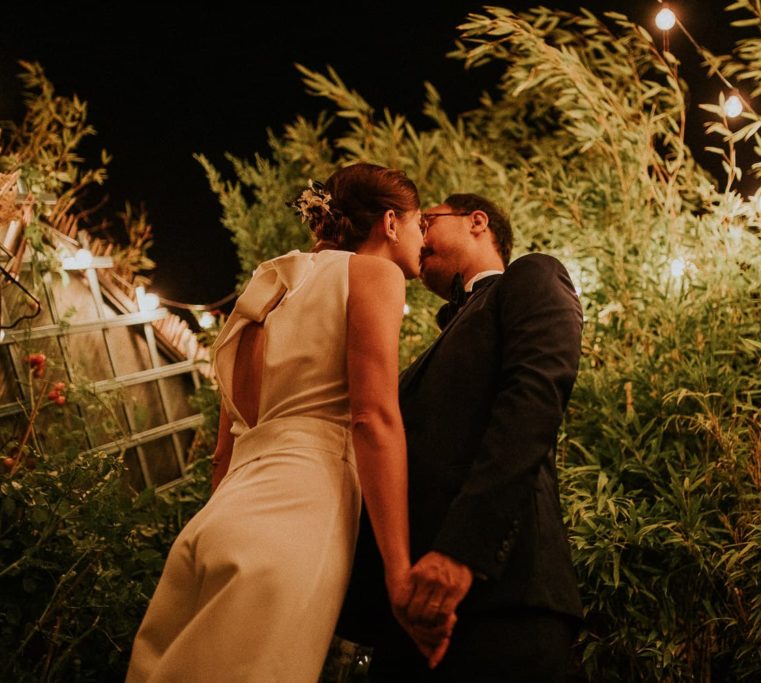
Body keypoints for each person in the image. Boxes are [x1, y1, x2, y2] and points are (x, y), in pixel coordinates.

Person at [126, 163, 428, 682]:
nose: (425, 238)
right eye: (422, 223)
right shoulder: (376, 275)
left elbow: (222, 456)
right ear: (392, 222)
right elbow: (373, 418)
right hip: (296, 518)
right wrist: (399, 572)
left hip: (217, 520)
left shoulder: (266, 291)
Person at [338, 193, 585, 681]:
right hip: (408, 615)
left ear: (477, 222)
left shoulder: (533, 275)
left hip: (504, 597)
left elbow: (531, 405)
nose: (419, 234)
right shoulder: (422, 356)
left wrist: (461, 551)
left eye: (428, 221)